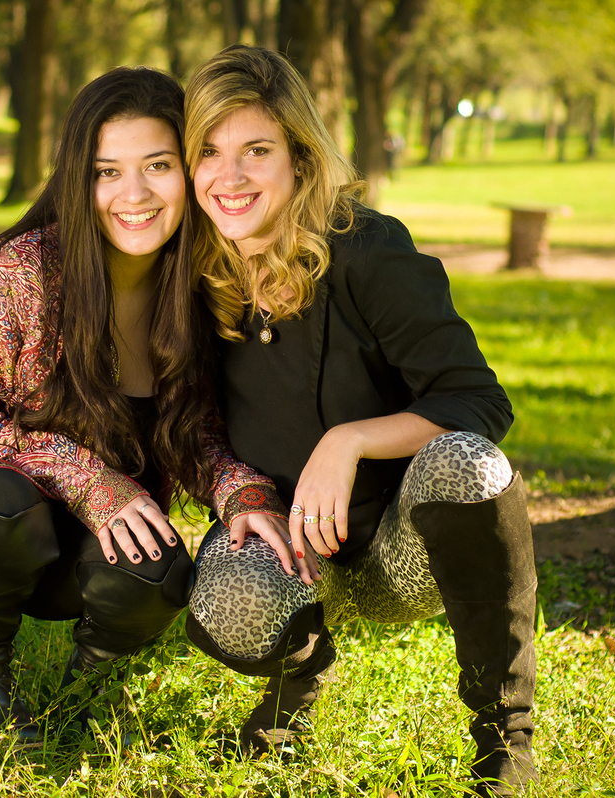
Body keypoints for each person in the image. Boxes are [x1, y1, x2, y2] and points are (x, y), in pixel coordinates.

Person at [180, 46, 537, 797]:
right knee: (227, 607)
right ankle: (299, 675)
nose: (230, 177)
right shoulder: (192, 272)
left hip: (399, 546)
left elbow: (478, 400)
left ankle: (505, 733)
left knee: (471, 462)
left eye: (256, 151)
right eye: (208, 152)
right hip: (291, 553)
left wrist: (352, 440)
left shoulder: (369, 249)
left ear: (300, 156)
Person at [0, 66, 289, 747]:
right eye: (107, 172)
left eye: (158, 166)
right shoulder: (24, 270)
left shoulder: (201, 288)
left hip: (90, 550)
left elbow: (198, 435)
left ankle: (79, 700)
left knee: (160, 571)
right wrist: (90, 480)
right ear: (77, 182)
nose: (133, 195)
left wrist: (242, 493)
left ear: (190, 173)